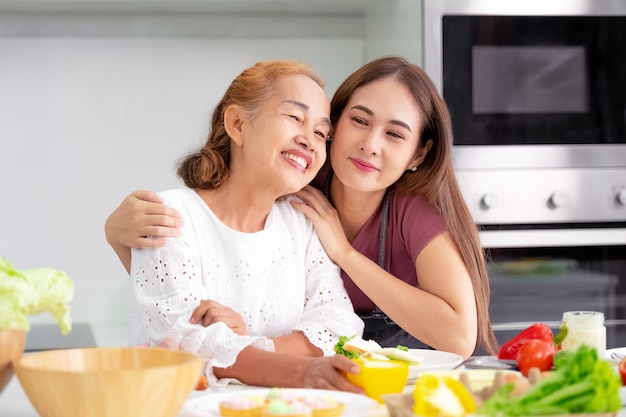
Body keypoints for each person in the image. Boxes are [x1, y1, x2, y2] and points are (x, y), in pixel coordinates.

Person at [105, 56, 498, 358]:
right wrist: (118, 235)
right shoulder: (296, 191)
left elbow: (458, 338)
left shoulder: (412, 212)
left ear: (419, 154)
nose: (370, 144)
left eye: (395, 134)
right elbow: (186, 297)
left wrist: (343, 253)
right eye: (358, 121)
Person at [111, 60, 365, 390]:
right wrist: (300, 369)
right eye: (294, 117)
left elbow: (340, 327)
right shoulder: (171, 215)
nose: (310, 140)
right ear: (238, 124)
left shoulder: (301, 224)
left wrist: (254, 343)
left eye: (321, 133)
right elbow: (187, 343)